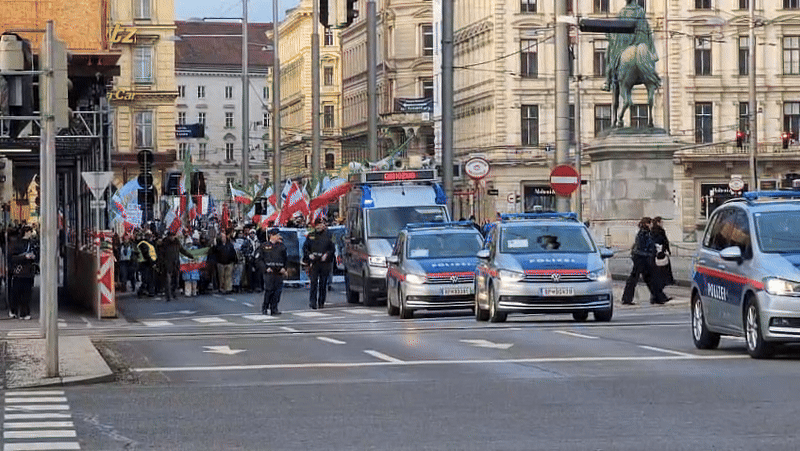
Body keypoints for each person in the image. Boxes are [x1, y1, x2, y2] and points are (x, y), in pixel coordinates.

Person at [602, 0, 659, 92]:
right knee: (646, 54)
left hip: (624, 42)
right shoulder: (640, 11)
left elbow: (617, 28)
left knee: (609, 55)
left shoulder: (622, 12)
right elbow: (646, 28)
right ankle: (653, 76)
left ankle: (608, 82)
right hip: (640, 40)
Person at [621, 217, 668, 305]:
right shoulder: (643, 233)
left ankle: (658, 297)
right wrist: (651, 253)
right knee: (637, 278)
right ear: (647, 224)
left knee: (649, 279)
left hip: (642, 257)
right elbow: (644, 247)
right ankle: (627, 298)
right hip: (641, 258)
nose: (651, 225)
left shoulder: (645, 233)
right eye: (649, 223)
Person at [303, 218, 335, 309]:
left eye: (323, 224)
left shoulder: (329, 235)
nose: (321, 226)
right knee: (313, 282)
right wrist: (309, 255)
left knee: (323, 283)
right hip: (314, 263)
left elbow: (332, 249)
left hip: (325, 263)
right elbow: (305, 248)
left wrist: (327, 254)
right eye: (319, 224)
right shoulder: (311, 235)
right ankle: (312, 301)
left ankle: (321, 301)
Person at [255, 228, 287, 315]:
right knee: (269, 290)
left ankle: (274, 308)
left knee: (277, 291)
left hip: (279, 272)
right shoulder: (263, 246)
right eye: (276, 235)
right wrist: (265, 268)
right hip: (269, 272)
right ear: (271, 236)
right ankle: (265, 307)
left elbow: (285, 259)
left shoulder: (282, 246)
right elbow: (258, 259)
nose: (278, 237)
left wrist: (284, 268)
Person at [9, 225, 37, 320]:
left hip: (26, 272)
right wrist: (25, 257)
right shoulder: (18, 243)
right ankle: (18, 311)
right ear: (26, 232)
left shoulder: (32, 243)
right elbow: (13, 257)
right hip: (21, 271)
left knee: (25, 293)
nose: (31, 234)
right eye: (29, 232)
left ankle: (23, 312)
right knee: (19, 293)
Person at [650, 216, 675, 298]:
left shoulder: (652, 231)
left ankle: (657, 295)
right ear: (658, 222)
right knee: (663, 275)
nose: (662, 223)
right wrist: (667, 250)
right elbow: (664, 241)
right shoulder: (660, 231)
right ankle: (659, 296)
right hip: (660, 254)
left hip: (655, 255)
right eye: (661, 222)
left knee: (658, 275)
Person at [137, 231, 158, 297]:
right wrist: (152, 263)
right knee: (146, 279)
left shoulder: (149, 244)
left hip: (149, 263)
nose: (151, 237)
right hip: (145, 263)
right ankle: (141, 291)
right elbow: (146, 255)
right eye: (150, 236)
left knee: (150, 278)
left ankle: (150, 292)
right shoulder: (143, 244)